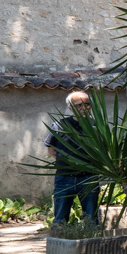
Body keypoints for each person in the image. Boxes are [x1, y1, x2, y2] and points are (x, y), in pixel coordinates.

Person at [45, 90, 99, 226]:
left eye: (87, 104)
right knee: (60, 221)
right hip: (64, 178)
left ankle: (91, 240)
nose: (84, 108)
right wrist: (68, 163)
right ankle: (59, 239)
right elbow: (51, 150)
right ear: (70, 108)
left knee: (91, 221)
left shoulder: (97, 126)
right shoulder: (59, 126)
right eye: (79, 105)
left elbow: (102, 149)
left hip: (89, 178)